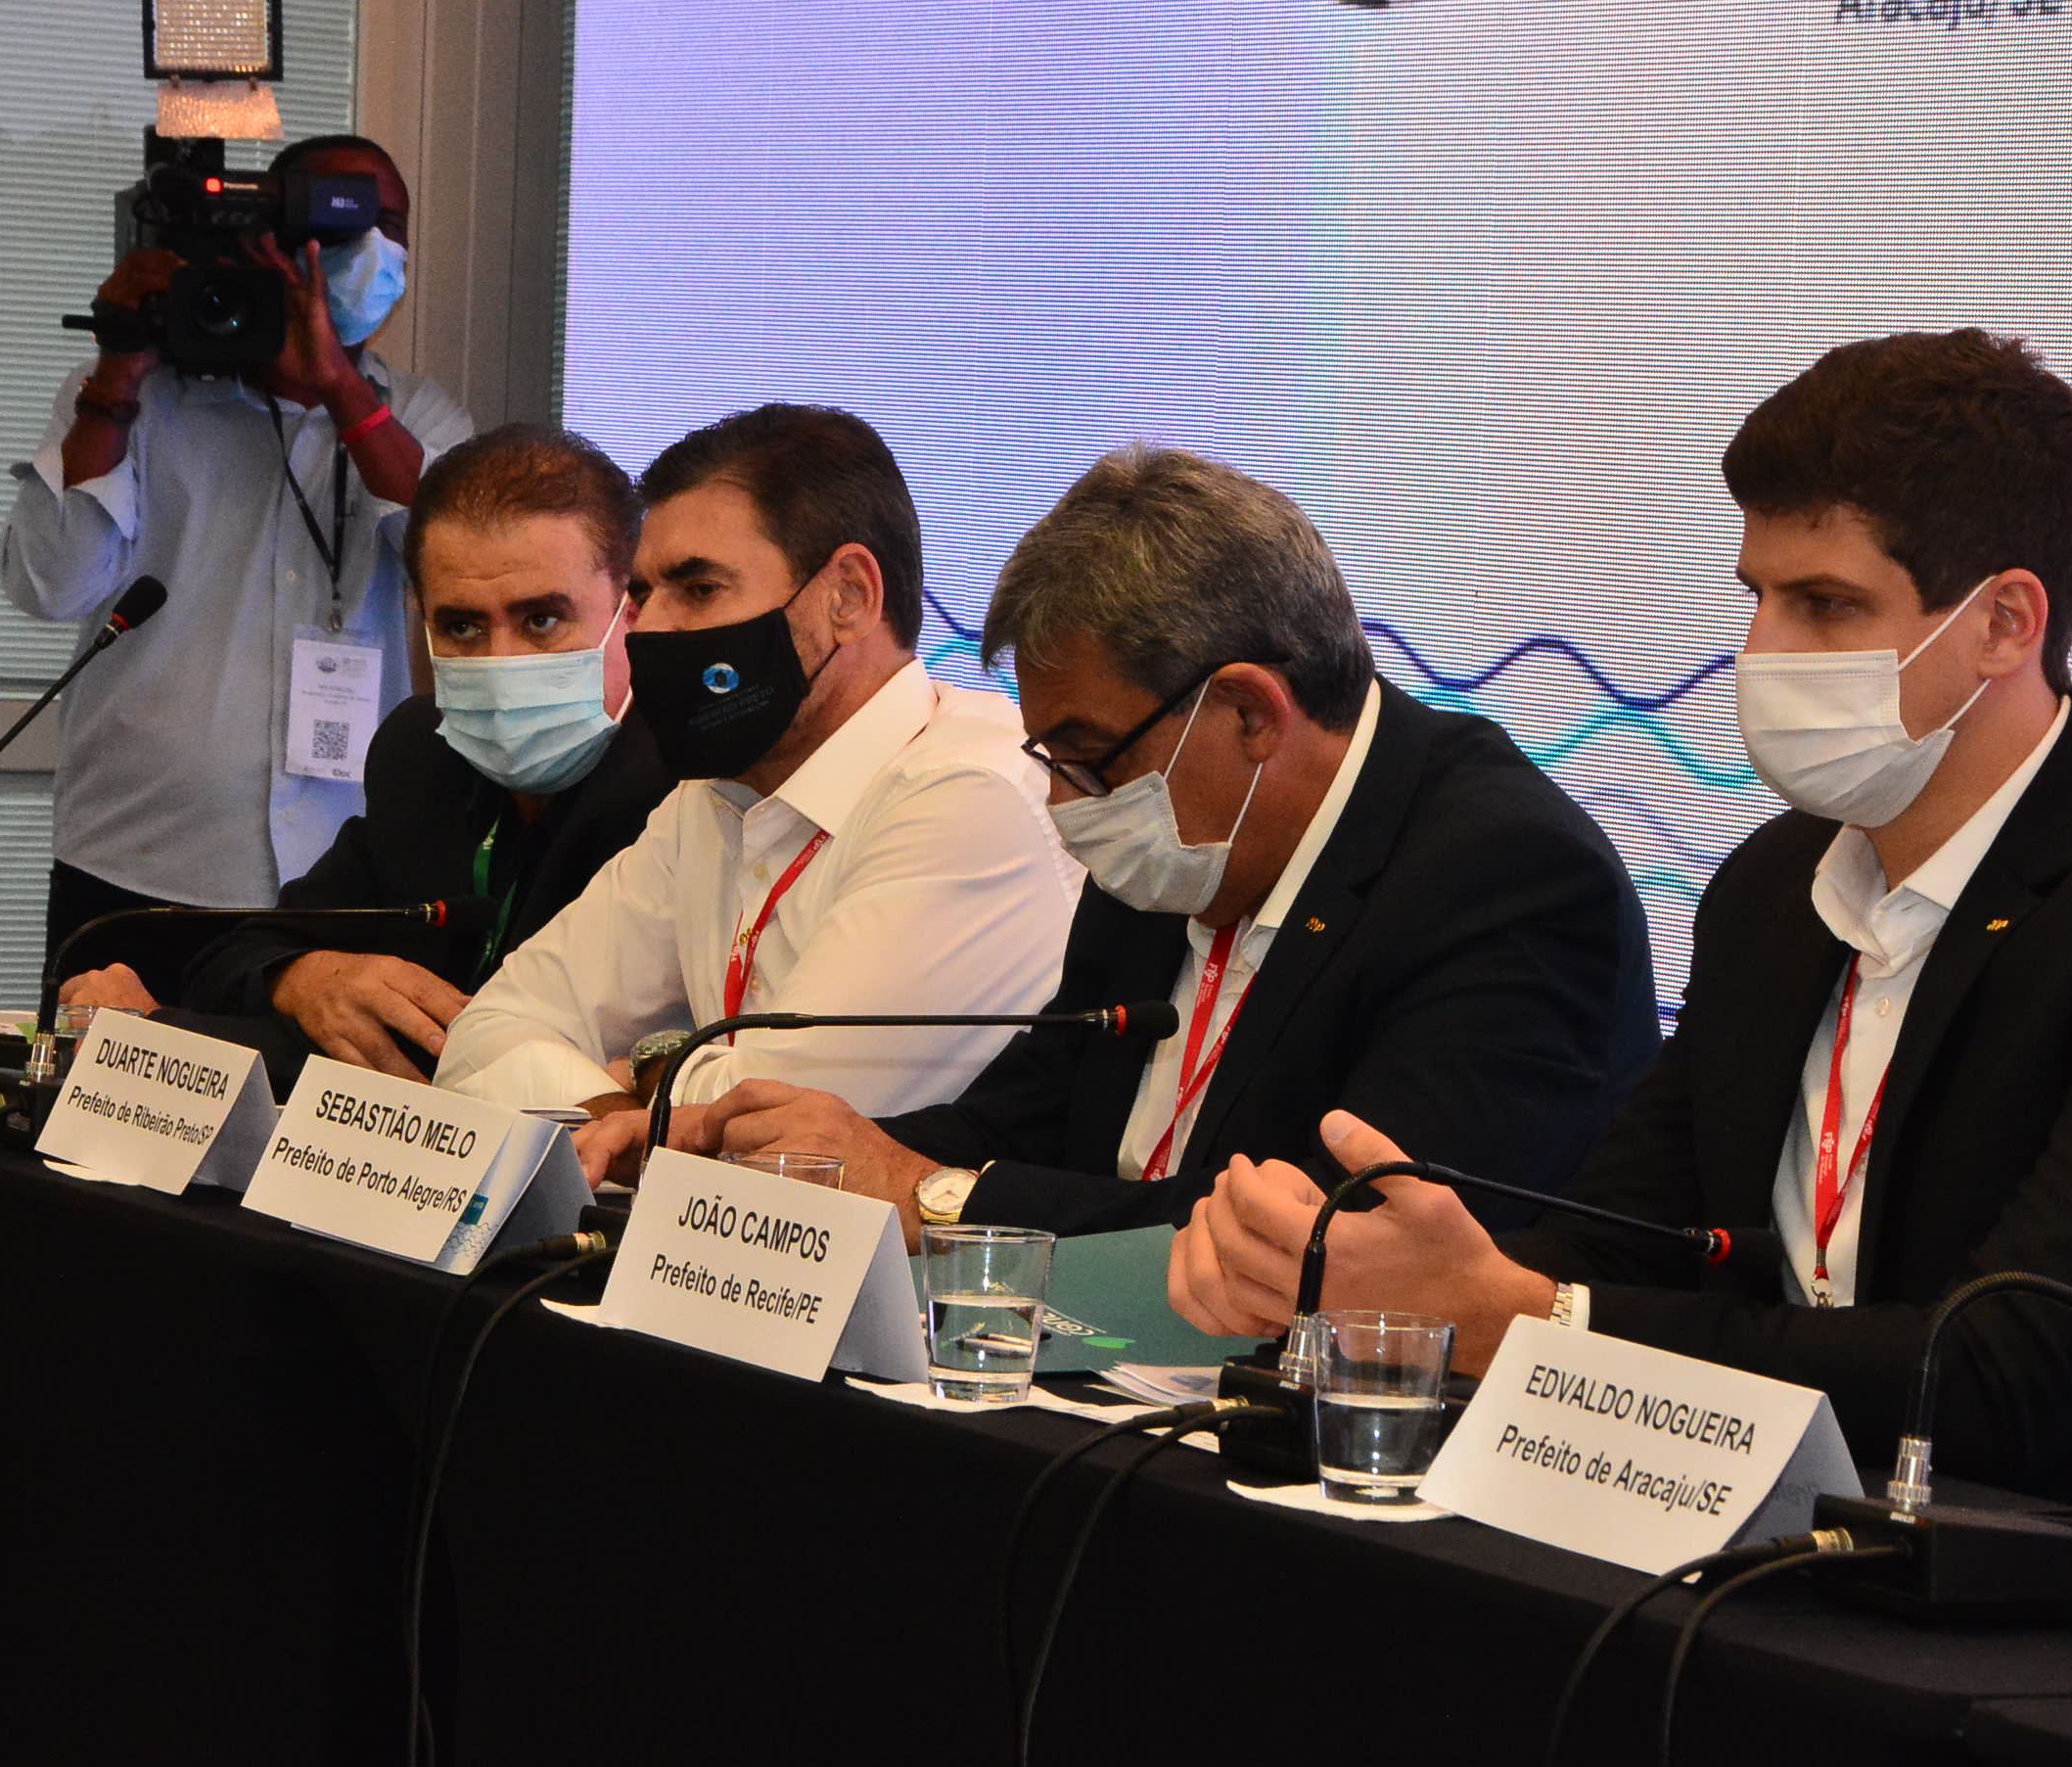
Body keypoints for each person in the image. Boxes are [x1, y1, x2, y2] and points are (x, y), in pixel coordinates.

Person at [1169, 329, 2072, 1505]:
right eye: (1755, 593)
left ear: (2003, 623)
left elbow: (2006, 1377)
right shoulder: (1772, 889)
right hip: (1824, 1534)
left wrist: (1526, 1318)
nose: (1759, 650)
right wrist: (1377, 1281)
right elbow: (1625, 1247)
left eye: (1825, 604)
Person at [681, 445, 1662, 1241]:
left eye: (1087, 753)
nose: (1066, 798)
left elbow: (1338, 1237)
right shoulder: (1177, 843)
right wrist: (801, 1159)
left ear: (1249, 712)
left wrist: (938, 1195)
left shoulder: (1504, 879)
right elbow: (1022, 1121)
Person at [436, 404, 1082, 1151]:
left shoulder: (971, 795)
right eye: (643, 596)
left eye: (699, 590)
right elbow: (487, 1035)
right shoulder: (714, 795)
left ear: (849, 596)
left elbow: (781, 1138)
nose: (651, 629)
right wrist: (640, 1111)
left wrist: (645, 1082)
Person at [2, 133, 475, 999]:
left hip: (342, 868)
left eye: (390, 225)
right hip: (137, 859)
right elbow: (52, 583)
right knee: (95, 1085)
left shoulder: (421, 416)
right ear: (263, 238)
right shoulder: (132, 398)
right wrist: (117, 370)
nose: (371, 248)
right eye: (339, 224)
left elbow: (454, 567)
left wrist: (339, 389)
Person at [57, 426, 673, 1090]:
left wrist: (161, 1034)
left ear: (634, 609)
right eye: (462, 626)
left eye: (541, 620)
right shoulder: (423, 752)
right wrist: (303, 977)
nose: (500, 661)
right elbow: (235, 956)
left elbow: (470, 1064)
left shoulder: (683, 785)